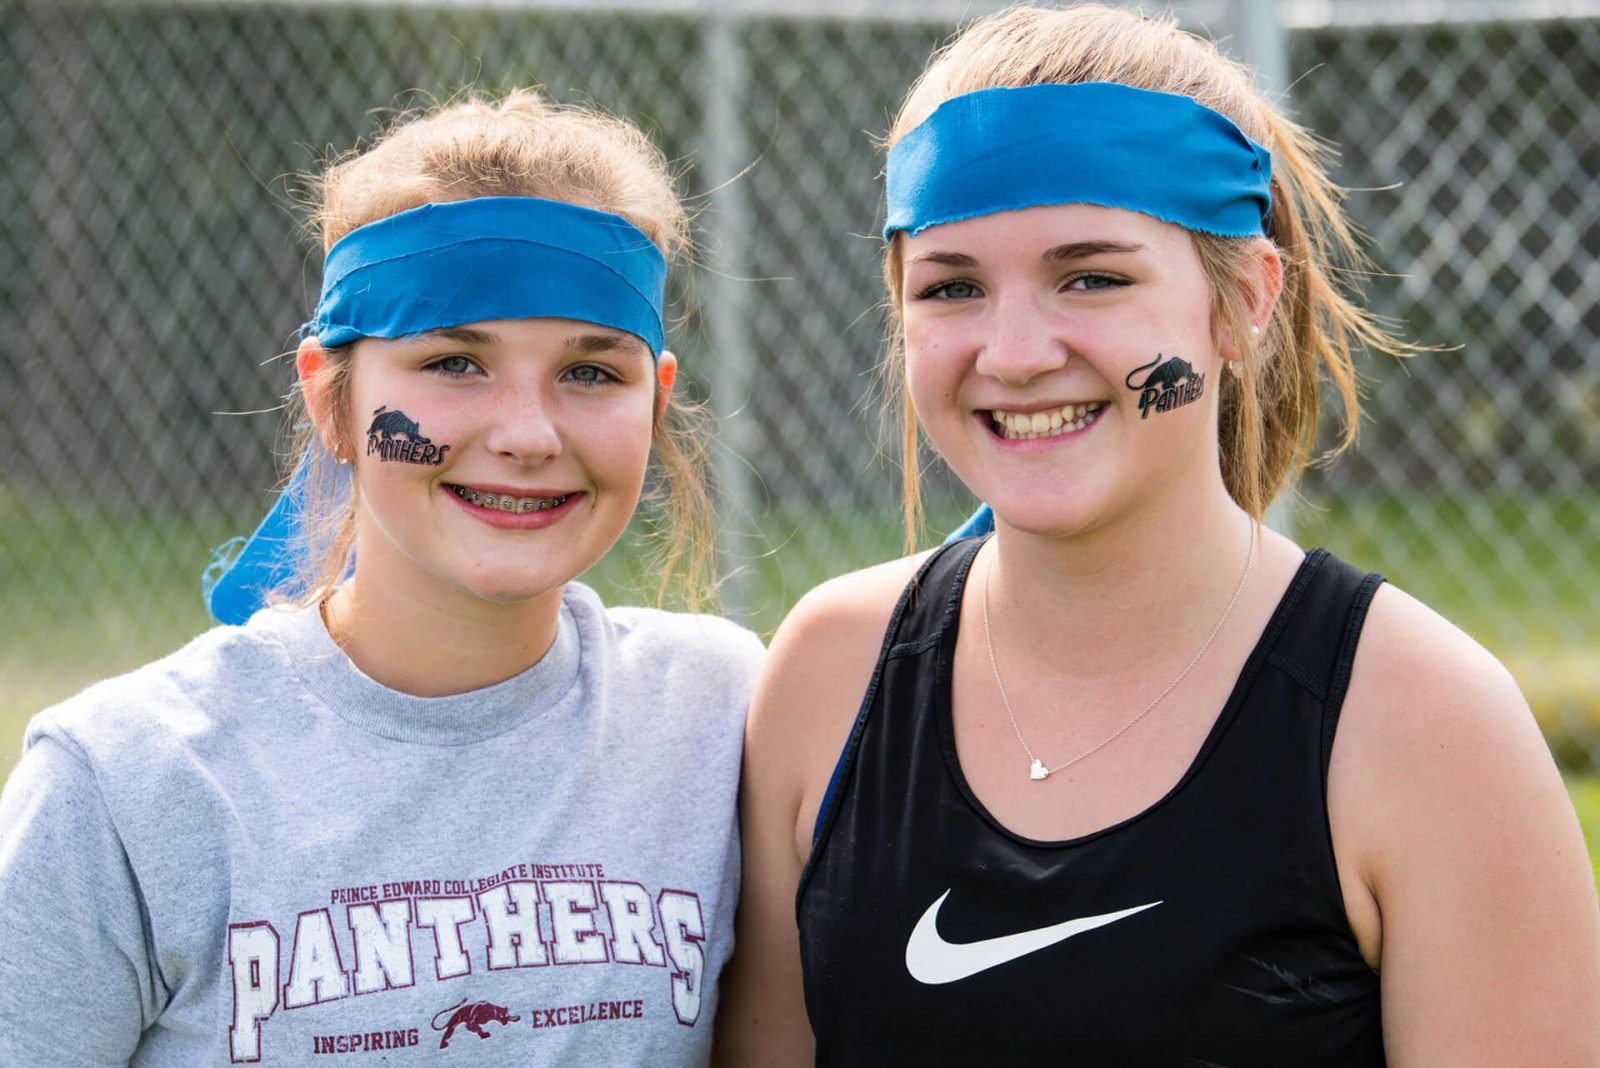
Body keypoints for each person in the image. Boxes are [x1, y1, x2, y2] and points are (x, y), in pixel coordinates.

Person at [714, 6, 1600, 1065]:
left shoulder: (1424, 725)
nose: (1014, 351)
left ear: (1244, 301)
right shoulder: (831, 674)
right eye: (951, 286)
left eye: (1091, 276)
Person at [0, 90, 763, 1066]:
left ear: (655, 401)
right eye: (453, 361)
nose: (527, 435)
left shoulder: (720, 715)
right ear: (331, 398)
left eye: (589, 373)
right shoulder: (126, 787)